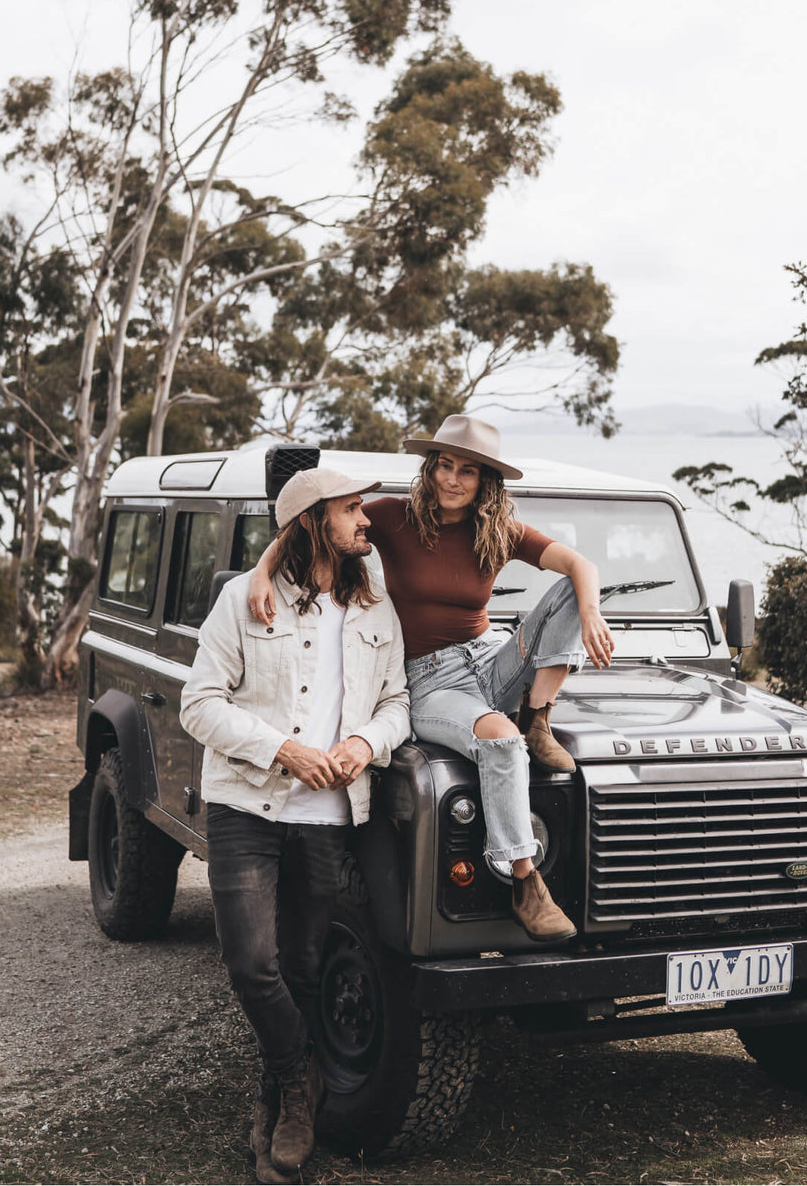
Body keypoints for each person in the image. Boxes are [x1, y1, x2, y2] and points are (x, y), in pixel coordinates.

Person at [248, 415, 613, 944]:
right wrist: (262, 571)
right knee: (501, 742)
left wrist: (592, 611)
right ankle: (525, 881)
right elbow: (312, 520)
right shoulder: (394, 518)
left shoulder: (499, 531)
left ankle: (539, 717)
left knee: (568, 592)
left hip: (491, 660)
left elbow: (579, 563)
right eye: (445, 465)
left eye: (468, 471)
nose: (452, 480)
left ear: (486, 481)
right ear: (431, 466)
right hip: (429, 678)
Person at [181, 467, 409, 1183]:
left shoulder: (376, 607)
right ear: (314, 520)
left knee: (304, 969)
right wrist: (281, 748)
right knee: (252, 963)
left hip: (327, 815)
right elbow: (199, 704)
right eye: (350, 510)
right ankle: (301, 1075)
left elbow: (397, 700)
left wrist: (365, 744)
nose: (364, 520)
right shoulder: (242, 603)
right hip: (245, 805)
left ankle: (277, 1103)